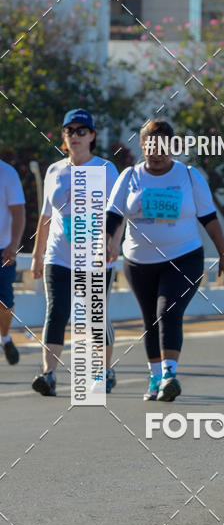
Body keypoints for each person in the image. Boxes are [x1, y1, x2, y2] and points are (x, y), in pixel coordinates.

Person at [106, 118, 224, 402]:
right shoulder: (129, 177)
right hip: (139, 262)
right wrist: (106, 243)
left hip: (184, 257)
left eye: (164, 145)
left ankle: (169, 375)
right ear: (142, 146)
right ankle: (154, 379)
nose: (158, 152)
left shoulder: (189, 176)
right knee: (150, 320)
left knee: (168, 312)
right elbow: (112, 215)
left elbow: (210, 219)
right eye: (151, 145)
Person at [30, 109, 119, 396]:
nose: (76, 136)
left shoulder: (106, 170)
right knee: (56, 311)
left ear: (92, 136)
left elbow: (119, 213)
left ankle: (103, 371)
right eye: (70, 131)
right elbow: (46, 216)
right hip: (59, 255)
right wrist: (37, 255)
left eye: (82, 131)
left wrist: (114, 241)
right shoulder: (55, 170)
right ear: (63, 137)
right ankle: (49, 374)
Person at [0, 157, 26, 365]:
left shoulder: (7, 173)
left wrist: (13, 245)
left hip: (3, 249)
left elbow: (19, 213)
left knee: (5, 304)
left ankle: (5, 338)